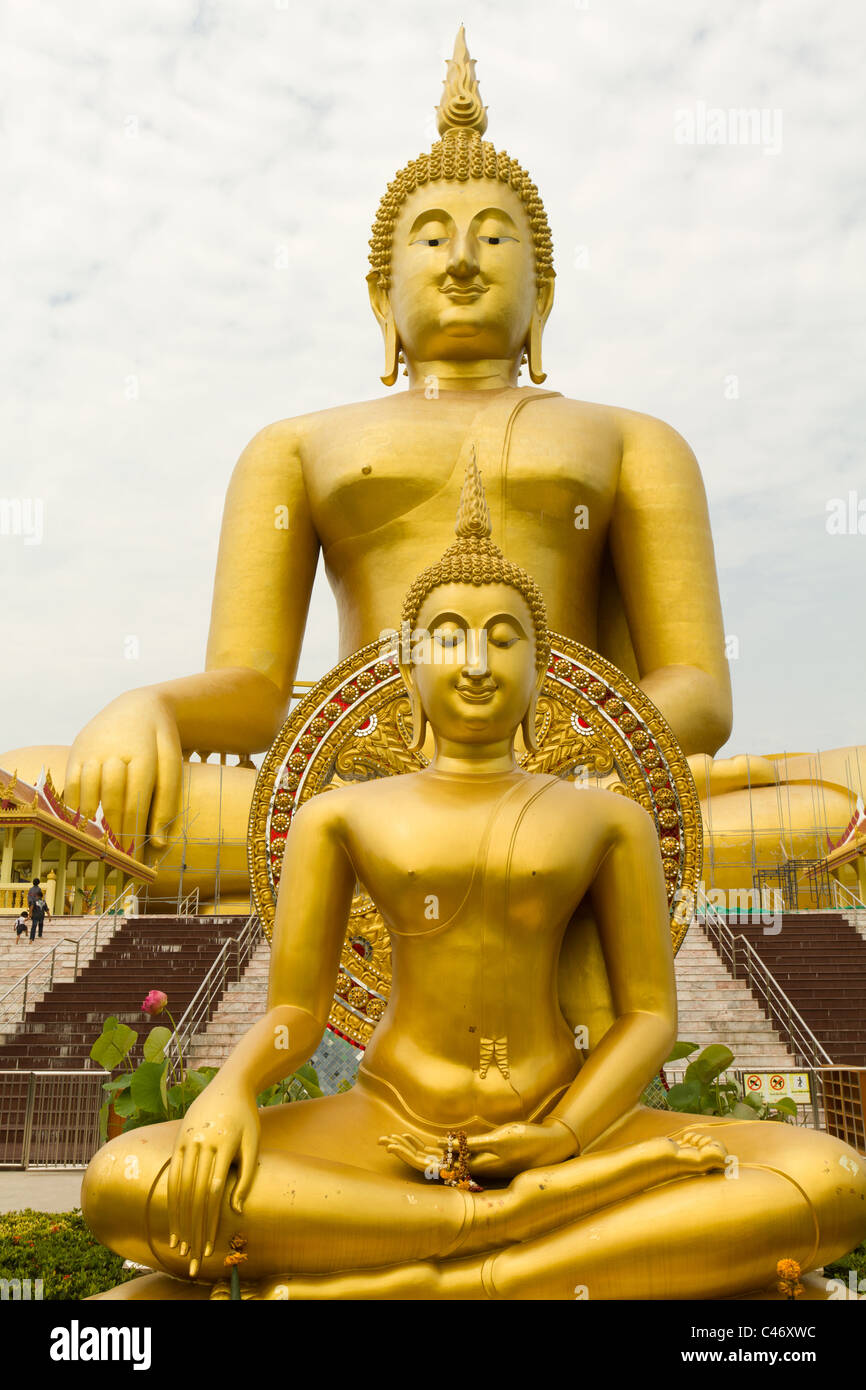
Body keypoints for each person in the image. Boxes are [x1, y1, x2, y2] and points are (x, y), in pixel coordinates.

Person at [81, 462, 866, 1301]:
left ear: (543, 671)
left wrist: (561, 1138)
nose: (476, 662)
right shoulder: (341, 814)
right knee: (129, 1177)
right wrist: (228, 1092)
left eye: (504, 637)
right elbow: (295, 1014)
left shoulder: (608, 818)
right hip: (383, 1126)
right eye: (447, 635)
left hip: (565, 1128)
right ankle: (492, 1232)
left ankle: (445, 1278)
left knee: (830, 1177)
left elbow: (645, 1017)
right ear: (408, 670)